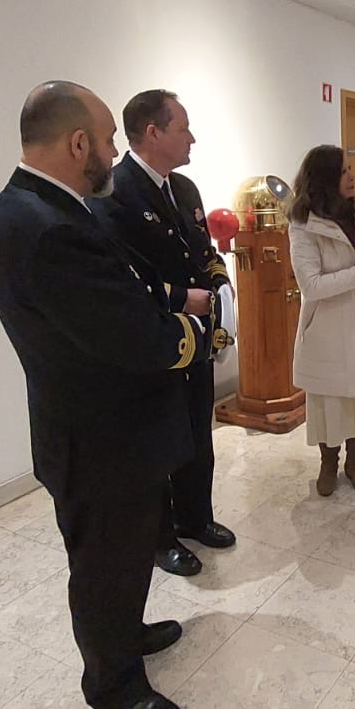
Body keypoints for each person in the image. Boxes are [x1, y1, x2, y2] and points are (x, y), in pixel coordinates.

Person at [0, 82, 201, 709]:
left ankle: (125, 634)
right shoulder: (46, 226)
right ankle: (114, 685)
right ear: (78, 143)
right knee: (105, 563)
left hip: (106, 429)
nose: (112, 152)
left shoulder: (42, 207)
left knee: (125, 555)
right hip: (99, 439)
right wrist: (191, 335)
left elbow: (122, 293)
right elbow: (127, 332)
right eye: (107, 140)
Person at [95, 89, 236, 578]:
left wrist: (220, 283)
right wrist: (181, 299)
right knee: (159, 444)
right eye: (183, 128)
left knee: (198, 431)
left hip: (197, 340)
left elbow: (203, 252)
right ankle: (162, 538)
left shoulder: (186, 189)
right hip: (155, 342)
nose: (192, 138)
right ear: (153, 133)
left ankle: (196, 517)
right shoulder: (115, 193)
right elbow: (121, 278)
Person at [288, 146, 355, 496]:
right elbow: (311, 285)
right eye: (344, 171)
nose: (352, 176)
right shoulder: (303, 223)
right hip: (329, 324)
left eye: (351, 168)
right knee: (331, 399)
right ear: (324, 178)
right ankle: (328, 463)